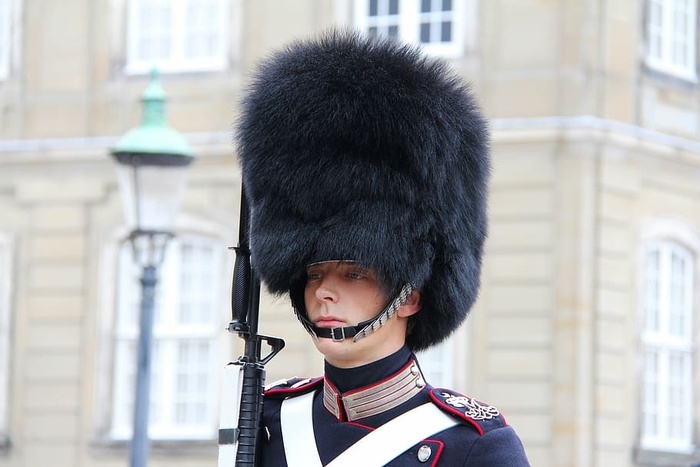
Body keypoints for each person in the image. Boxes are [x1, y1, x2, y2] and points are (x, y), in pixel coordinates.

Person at [236, 29, 530, 466]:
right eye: (314, 273)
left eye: (353, 273)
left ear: (410, 295)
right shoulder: (271, 423)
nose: (322, 292)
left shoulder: (472, 447)